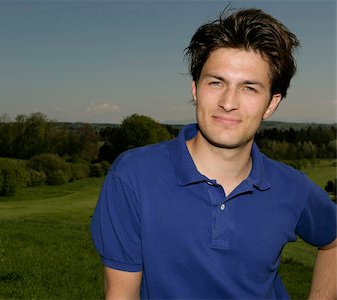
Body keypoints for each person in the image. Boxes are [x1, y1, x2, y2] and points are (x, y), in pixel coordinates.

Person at [90, 7, 336, 299]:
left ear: (271, 104)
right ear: (195, 89)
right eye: (216, 82)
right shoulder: (134, 175)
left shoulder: (292, 186)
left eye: (249, 88)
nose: (228, 102)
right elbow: (120, 294)